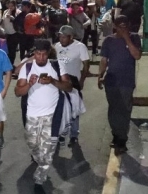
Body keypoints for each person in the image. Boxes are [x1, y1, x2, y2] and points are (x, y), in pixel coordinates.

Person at [14, 39, 73, 194]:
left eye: (44, 54)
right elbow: (18, 92)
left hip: (51, 116)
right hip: (32, 115)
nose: (40, 58)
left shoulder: (57, 66)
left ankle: (39, 179)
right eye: (38, 54)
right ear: (34, 53)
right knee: (33, 145)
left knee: (47, 150)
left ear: (48, 54)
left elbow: (68, 87)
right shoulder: (27, 68)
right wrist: (30, 84)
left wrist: (53, 81)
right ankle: (40, 160)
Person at [98, 16, 142, 155]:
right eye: (120, 26)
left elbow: (137, 56)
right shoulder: (109, 40)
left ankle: (122, 139)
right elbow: (104, 60)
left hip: (126, 81)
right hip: (111, 80)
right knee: (113, 109)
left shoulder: (134, 38)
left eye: (125, 26)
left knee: (124, 110)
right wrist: (100, 75)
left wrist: (126, 39)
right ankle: (116, 135)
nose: (123, 28)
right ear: (115, 26)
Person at [54, 25, 90, 146]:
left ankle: (74, 134)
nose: (61, 39)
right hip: (60, 81)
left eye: (64, 37)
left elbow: (85, 65)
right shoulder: (56, 46)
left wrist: (82, 80)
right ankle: (61, 133)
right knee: (60, 108)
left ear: (71, 37)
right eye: (60, 36)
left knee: (74, 108)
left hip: (73, 81)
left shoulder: (80, 47)